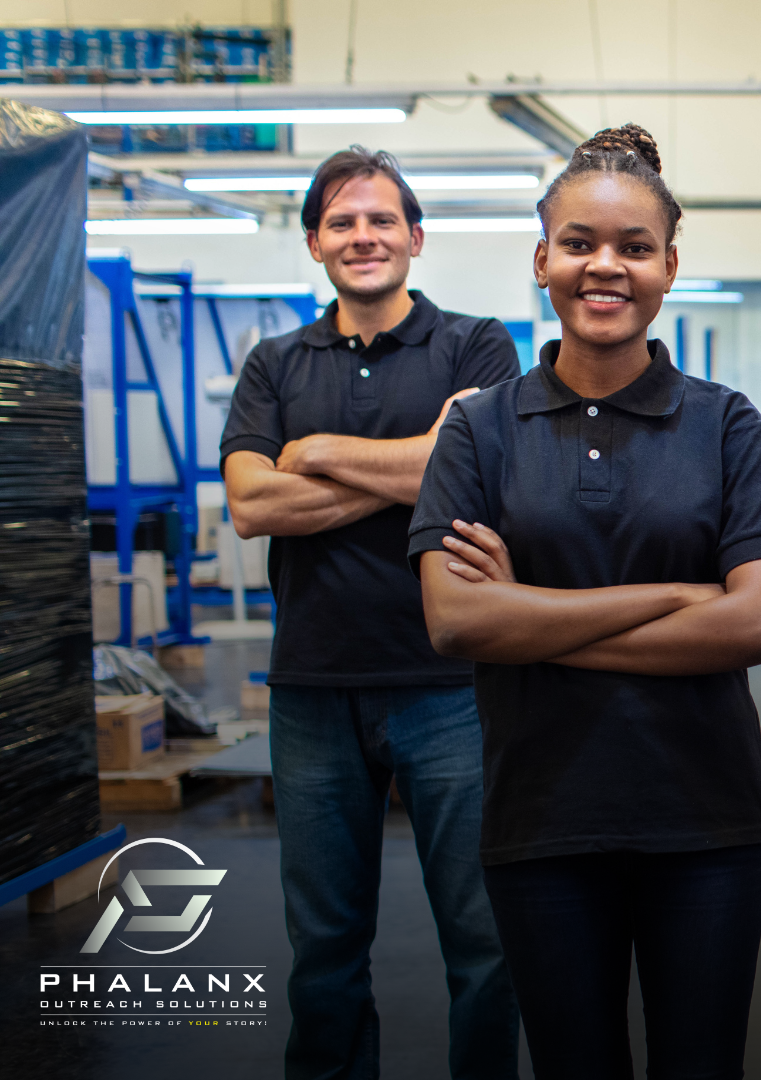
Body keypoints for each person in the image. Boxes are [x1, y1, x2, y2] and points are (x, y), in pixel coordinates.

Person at [408, 124, 761, 1080]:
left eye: (634, 248)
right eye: (580, 243)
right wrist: (674, 596)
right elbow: (457, 620)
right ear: (542, 258)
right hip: (541, 819)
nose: (605, 268)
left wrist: (530, 622)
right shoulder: (480, 430)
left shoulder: (727, 425)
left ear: (670, 266)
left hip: (704, 822)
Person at [219, 146, 521, 1080]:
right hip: (312, 689)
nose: (364, 237)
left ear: (415, 237)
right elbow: (250, 507)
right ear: (314, 243)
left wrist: (310, 452)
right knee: (323, 953)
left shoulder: (476, 345)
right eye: (343, 222)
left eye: (382, 219)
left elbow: (475, 473)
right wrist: (414, 465)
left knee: (484, 944)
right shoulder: (273, 362)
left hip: (450, 683)